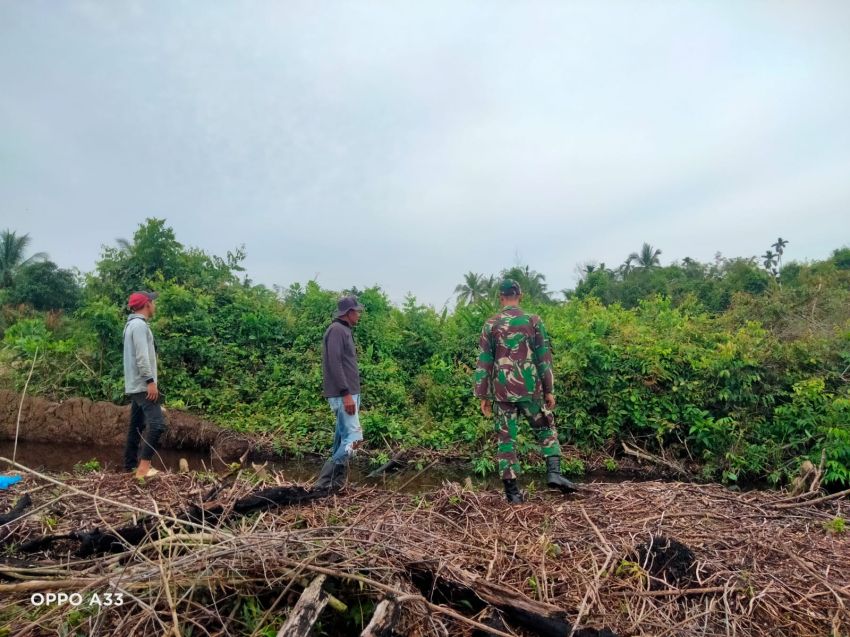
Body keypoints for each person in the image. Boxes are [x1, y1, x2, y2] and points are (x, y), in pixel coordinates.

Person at [474, 279, 577, 503]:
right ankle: (554, 473)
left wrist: (483, 395)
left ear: (501, 297)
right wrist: (549, 390)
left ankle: (513, 494)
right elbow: (544, 357)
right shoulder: (533, 321)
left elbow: (484, 362)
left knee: (506, 439)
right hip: (531, 390)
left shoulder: (491, 324)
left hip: (502, 393)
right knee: (545, 429)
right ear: (520, 295)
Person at [314, 295, 365, 490]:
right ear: (348, 313)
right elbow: (334, 363)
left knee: (342, 440)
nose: (359, 315)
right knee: (354, 440)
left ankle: (335, 485)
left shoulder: (344, 330)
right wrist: (346, 394)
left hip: (350, 394)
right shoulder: (336, 330)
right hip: (345, 395)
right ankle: (324, 484)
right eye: (357, 311)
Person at [123, 291, 167, 479]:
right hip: (142, 384)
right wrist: (150, 382)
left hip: (135, 384)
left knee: (136, 425)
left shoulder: (130, 325)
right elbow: (141, 357)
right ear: (147, 304)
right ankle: (143, 469)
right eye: (153, 302)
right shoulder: (139, 326)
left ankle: (130, 465)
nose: (155, 305)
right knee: (157, 423)